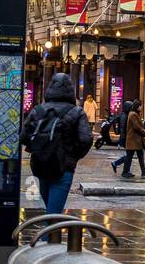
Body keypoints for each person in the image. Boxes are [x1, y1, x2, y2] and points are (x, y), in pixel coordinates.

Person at [20, 72, 93, 215]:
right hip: (63, 168)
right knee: (53, 214)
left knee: (49, 210)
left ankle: (47, 236)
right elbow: (86, 139)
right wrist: (72, 157)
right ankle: (48, 237)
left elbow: (23, 137)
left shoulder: (38, 110)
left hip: (40, 165)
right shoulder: (76, 111)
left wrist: (38, 147)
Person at [113, 101, 145, 179]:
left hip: (136, 140)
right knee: (129, 156)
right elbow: (136, 126)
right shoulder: (133, 114)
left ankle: (143, 171)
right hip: (133, 139)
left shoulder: (134, 114)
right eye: (140, 106)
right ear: (137, 107)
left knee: (139, 155)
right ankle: (125, 172)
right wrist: (143, 131)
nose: (141, 107)